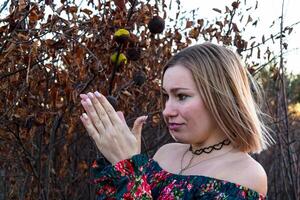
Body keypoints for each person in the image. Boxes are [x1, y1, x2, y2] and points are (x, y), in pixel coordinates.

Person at [79, 42, 273, 199]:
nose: (167, 110)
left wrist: (129, 168)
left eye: (181, 96)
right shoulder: (165, 154)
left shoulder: (246, 175)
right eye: (166, 96)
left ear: (219, 98)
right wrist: (118, 159)